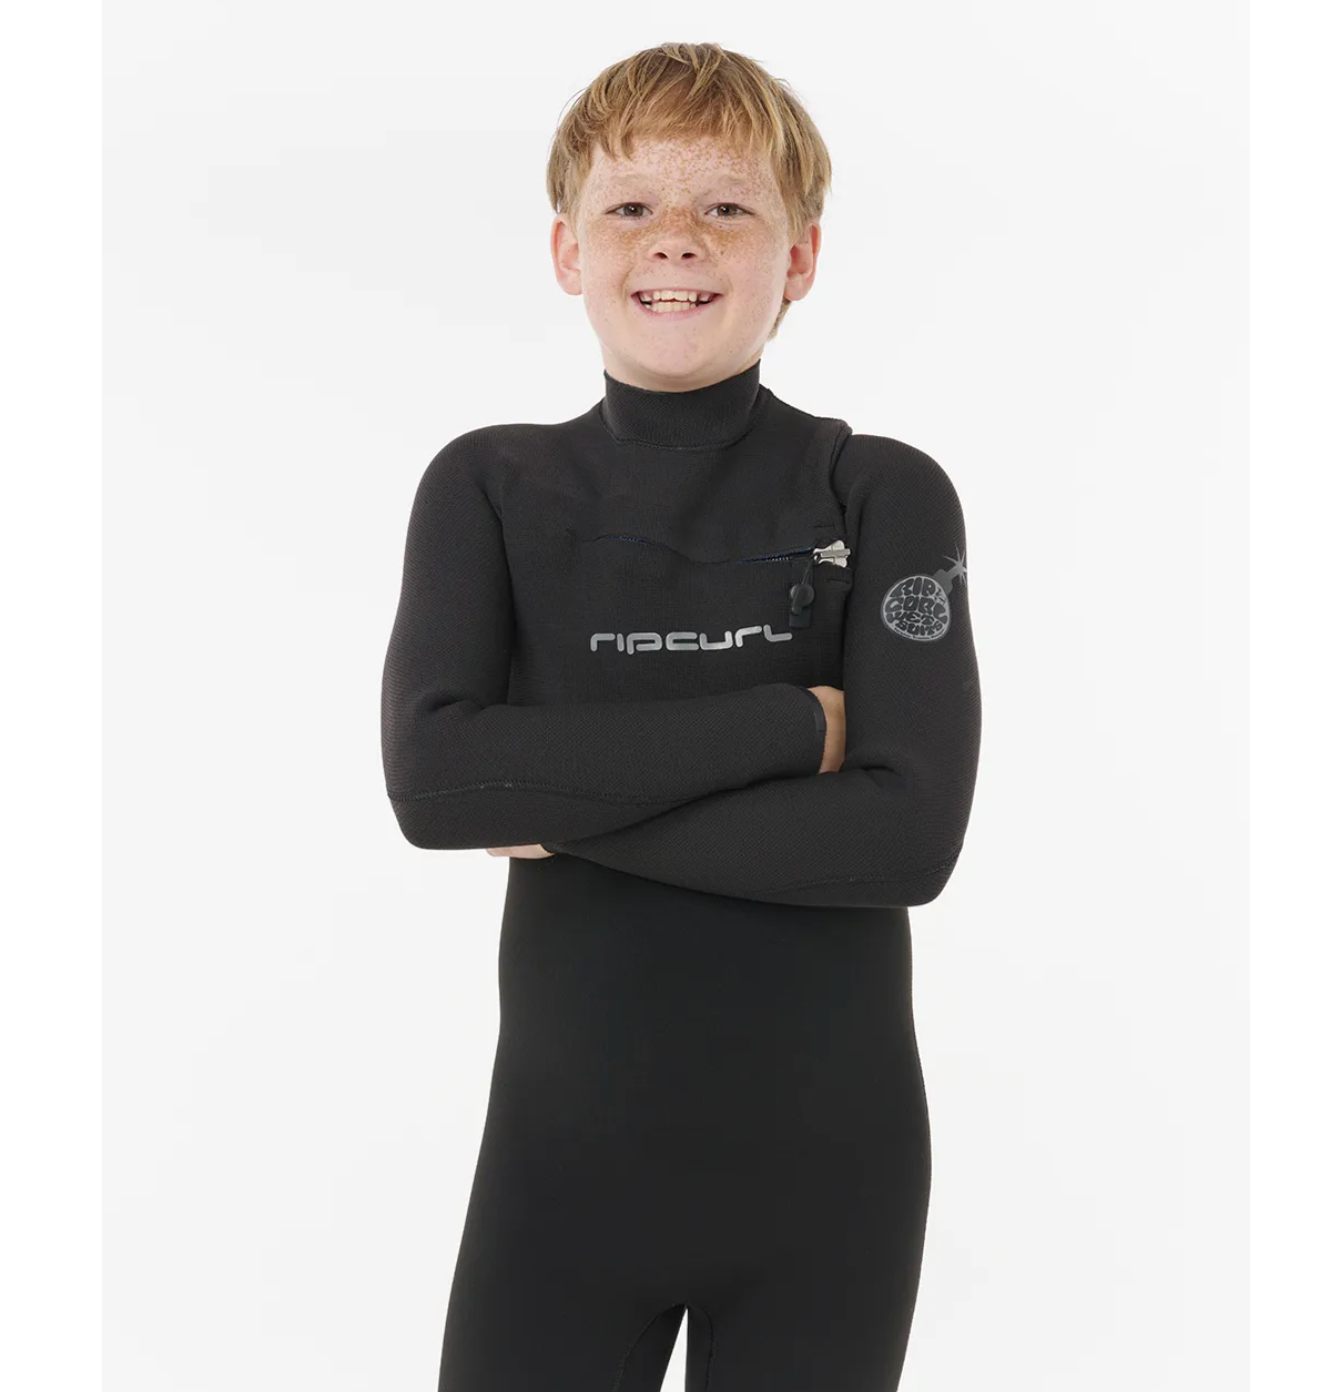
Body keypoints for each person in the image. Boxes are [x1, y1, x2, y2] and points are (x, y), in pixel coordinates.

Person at [381, 41, 981, 1392]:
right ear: (566, 248)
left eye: (726, 206)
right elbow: (433, 783)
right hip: (559, 1181)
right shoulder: (489, 488)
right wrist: (791, 728)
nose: (676, 241)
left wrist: (554, 803)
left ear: (801, 256)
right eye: (632, 206)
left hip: (828, 1185)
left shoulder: (881, 493)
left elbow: (907, 839)